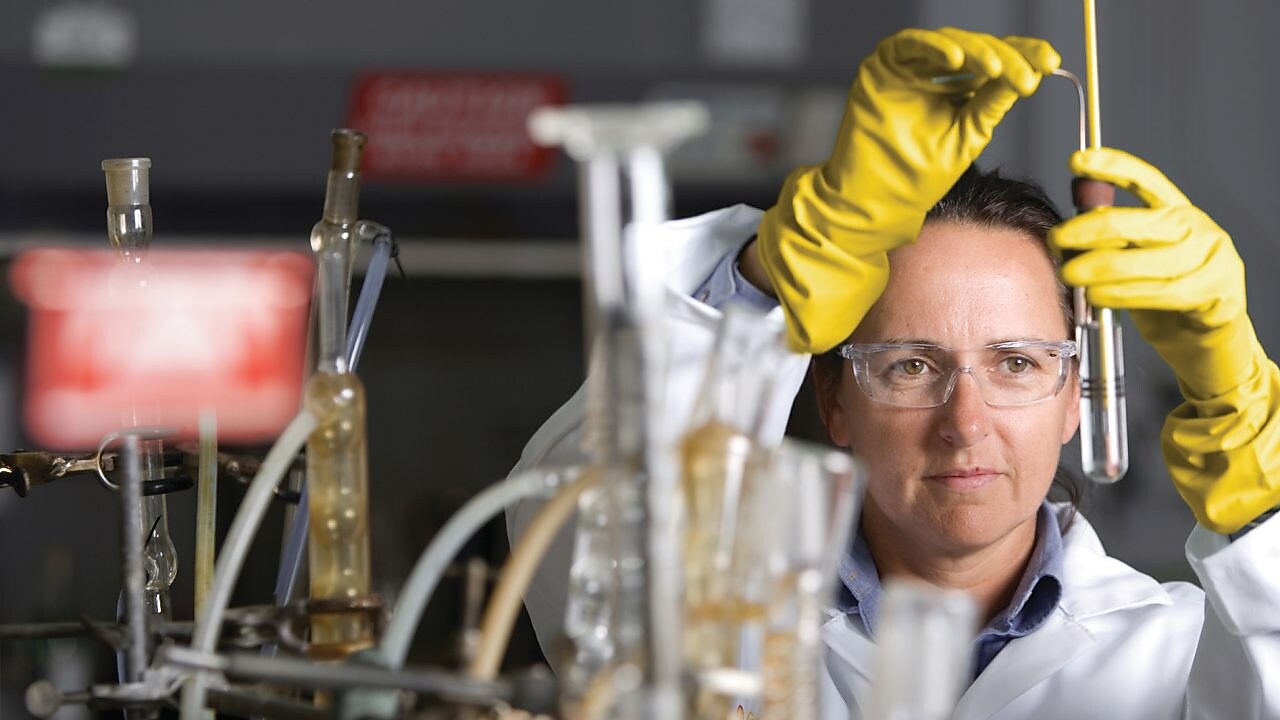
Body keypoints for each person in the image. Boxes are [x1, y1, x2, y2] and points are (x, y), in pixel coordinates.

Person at [507, 27, 1280, 717]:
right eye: (912, 365)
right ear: (835, 400)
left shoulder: (1179, 651)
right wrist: (769, 281)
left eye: (1015, 362)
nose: (965, 422)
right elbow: (585, 534)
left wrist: (1251, 457)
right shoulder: (720, 625)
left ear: (1075, 396)